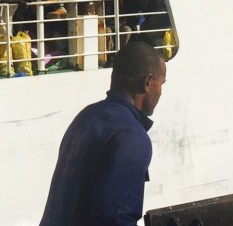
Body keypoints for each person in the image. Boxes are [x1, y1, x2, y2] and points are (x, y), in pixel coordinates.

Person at [39, 41, 167, 226]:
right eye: (161, 83)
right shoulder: (130, 136)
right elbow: (116, 219)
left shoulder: (86, 117)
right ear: (147, 82)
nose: (161, 92)